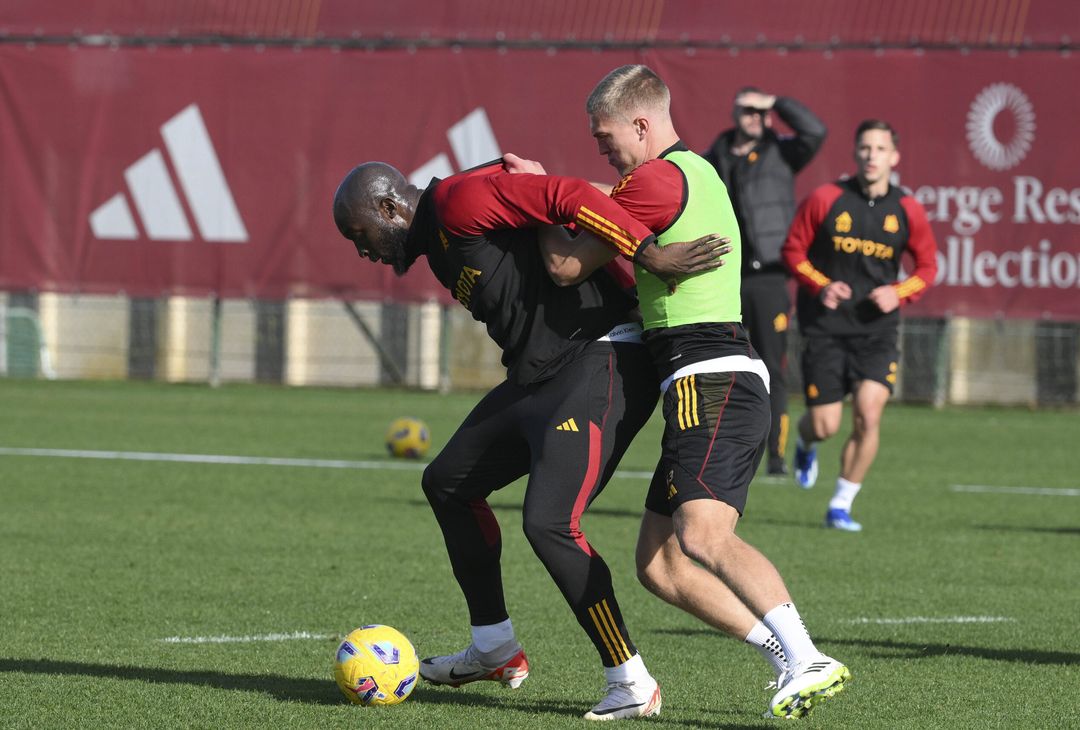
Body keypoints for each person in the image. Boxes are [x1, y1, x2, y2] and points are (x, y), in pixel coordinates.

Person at [508, 65, 850, 720]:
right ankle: (783, 657)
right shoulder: (692, 171)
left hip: (711, 378)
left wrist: (539, 196)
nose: (602, 150)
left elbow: (564, 262)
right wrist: (564, 189)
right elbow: (604, 211)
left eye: (606, 137)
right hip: (710, 380)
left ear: (641, 124)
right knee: (660, 566)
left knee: (703, 534)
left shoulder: (656, 179)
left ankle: (808, 657)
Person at [332, 159, 726, 721]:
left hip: (603, 355)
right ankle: (494, 647)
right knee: (447, 483)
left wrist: (649, 254)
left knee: (549, 522)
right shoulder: (442, 225)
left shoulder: (458, 201)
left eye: (360, 234)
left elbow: (566, 194)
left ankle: (631, 680)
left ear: (390, 208)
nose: (362, 250)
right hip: (540, 375)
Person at [782, 119, 938, 531]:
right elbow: (794, 252)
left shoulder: (907, 209)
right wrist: (821, 286)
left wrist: (898, 293)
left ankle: (841, 503)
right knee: (825, 424)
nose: (872, 156)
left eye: (881, 149)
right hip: (826, 327)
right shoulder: (826, 198)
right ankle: (806, 441)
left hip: (876, 330)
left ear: (894, 157)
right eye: (865, 148)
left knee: (869, 414)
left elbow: (927, 267)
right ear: (856, 153)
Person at [703, 88, 827, 476]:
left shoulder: (781, 151)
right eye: (748, 110)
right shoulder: (715, 156)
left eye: (761, 111)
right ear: (734, 111)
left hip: (770, 276)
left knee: (772, 366)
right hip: (726, 274)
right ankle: (725, 450)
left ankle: (776, 455)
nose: (754, 117)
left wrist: (778, 102)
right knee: (724, 364)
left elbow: (815, 131)